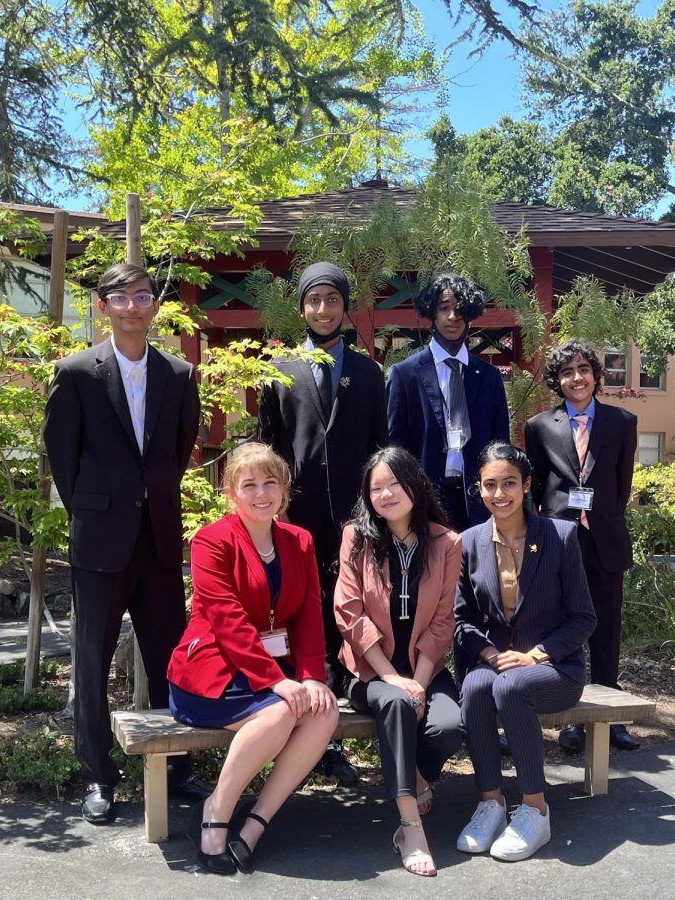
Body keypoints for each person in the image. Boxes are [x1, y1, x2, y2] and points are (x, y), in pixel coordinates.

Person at [43, 262, 205, 824]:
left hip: (158, 537)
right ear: (102, 305)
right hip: (99, 541)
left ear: (154, 306)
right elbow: (63, 458)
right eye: (121, 296)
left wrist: (147, 499)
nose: (134, 305)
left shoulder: (180, 374)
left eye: (143, 295)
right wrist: (98, 505)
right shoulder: (77, 372)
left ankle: (178, 769)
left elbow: (178, 452)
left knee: (172, 659)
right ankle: (100, 776)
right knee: (90, 660)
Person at [167, 442, 339, 876]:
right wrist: (277, 681)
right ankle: (217, 811)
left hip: (269, 678)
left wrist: (312, 677)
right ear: (231, 493)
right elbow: (226, 618)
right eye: (249, 485)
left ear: (284, 491)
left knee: (323, 711)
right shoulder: (211, 540)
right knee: (281, 713)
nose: (261, 493)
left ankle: (257, 824)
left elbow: (307, 615)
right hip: (209, 671)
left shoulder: (299, 540)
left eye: (270, 483)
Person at [258, 261, 388, 784]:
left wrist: (375, 507)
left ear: (345, 307)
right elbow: (268, 445)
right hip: (299, 518)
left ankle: (347, 727)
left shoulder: (369, 372)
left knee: (350, 616)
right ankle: (304, 734)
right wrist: (274, 507)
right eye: (314, 300)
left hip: (355, 520)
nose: (322, 310)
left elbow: (382, 444)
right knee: (299, 617)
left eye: (332, 300)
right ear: (301, 307)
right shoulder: (280, 369)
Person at [454, 442, 596, 862]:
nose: (500, 494)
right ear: (479, 490)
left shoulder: (561, 536)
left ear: (527, 485)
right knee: (478, 689)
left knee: (512, 687)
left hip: (556, 670)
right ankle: (492, 802)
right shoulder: (468, 542)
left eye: (509, 483)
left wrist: (535, 655)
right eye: (490, 485)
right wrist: (487, 654)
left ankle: (535, 809)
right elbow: (460, 619)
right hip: (495, 661)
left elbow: (583, 618)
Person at [334, 446, 463, 877]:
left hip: (424, 669)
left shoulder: (446, 543)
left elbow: (443, 621)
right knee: (396, 702)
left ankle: (417, 777)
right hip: (369, 671)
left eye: (394, 483)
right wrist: (392, 677)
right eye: (376, 487)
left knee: (447, 727)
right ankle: (410, 828)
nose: (386, 494)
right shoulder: (357, 536)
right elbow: (348, 612)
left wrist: (420, 682)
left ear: (415, 485)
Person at [524, 340, 639, 753]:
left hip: (604, 539)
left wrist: (599, 518)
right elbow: (537, 488)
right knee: (564, 628)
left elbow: (621, 486)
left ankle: (611, 719)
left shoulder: (622, 422)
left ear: (596, 374)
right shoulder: (539, 427)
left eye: (584, 368)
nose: (577, 377)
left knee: (606, 630)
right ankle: (568, 718)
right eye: (568, 371)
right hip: (559, 542)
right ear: (558, 380)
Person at [386, 273, 510, 532]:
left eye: (460, 309)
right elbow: (395, 446)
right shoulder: (405, 374)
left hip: (478, 499)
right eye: (444, 308)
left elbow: (500, 442)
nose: (453, 316)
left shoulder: (488, 377)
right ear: (432, 312)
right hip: (423, 498)